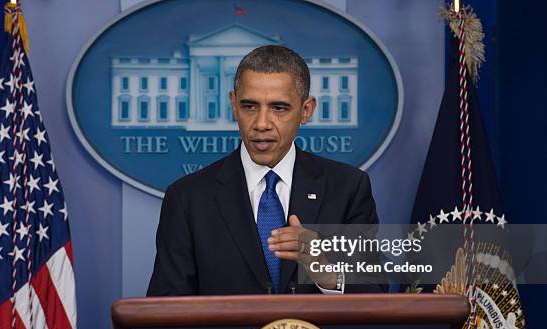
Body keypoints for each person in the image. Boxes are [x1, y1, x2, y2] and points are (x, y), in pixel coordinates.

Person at [147, 45, 379, 296]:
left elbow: (376, 295)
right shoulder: (187, 198)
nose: (261, 124)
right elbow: (165, 310)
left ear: (306, 111)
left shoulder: (347, 188)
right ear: (233, 105)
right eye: (250, 107)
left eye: (279, 108)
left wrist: (326, 273)